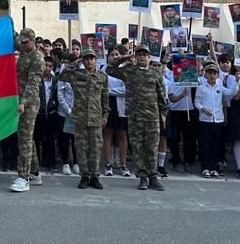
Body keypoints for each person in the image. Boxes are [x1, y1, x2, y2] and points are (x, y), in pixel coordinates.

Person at [106, 46, 168, 191]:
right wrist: (125, 57)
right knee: (138, 148)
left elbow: (161, 96)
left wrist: (163, 115)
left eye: (145, 55)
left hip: (152, 117)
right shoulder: (129, 72)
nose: (142, 57)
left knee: (152, 147)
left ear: (149, 58)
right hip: (135, 117)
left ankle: (153, 177)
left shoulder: (155, 74)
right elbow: (110, 69)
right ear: (135, 57)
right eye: (139, 55)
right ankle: (142, 178)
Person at [57, 47, 109, 190]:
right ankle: (85, 176)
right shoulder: (76, 74)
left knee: (96, 148)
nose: (89, 61)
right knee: (81, 147)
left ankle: (95, 176)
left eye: (91, 58)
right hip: (79, 117)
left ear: (96, 60)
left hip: (96, 118)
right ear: (83, 60)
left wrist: (105, 115)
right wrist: (75, 62)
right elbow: (61, 76)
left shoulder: (102, 77)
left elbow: (105, 98)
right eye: (86, 58)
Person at [9, 28, 44, 193]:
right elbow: (14, 37)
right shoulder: (22, 47)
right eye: (21, 42)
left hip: (29, 103)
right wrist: (8, 24)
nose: (22, 45)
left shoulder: (37, 58)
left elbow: (33, 83)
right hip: (19, 100)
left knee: (24, 140)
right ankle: (35, 173)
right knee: (27, 138)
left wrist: (24, 102)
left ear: (33, 40)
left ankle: (23, 177)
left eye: (25, 42)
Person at [194, 61, 230, 178]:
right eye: (209, 73)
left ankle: (214, 167)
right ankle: (205, 167)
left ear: (217, 75)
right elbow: (197, 102)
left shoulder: (220, 86)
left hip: (218, 119)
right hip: (205, 120)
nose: (212, 75)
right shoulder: (201, 87)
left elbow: (230, 93)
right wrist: (203, 109)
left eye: (214, 73)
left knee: (216, 144)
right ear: (206, 74)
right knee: (205, 144)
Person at [101, 50, 130, 177]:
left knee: (122, 134)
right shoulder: (104, 69)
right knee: (108, 134)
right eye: (112, 55)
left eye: (117, 55)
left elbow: (127, 90)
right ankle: (108, 164)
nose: (115, 57)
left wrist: (110, 91)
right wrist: (108, 91)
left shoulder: (126, 70)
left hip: (122, 105)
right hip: (108, 105)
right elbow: (102, 87)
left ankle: (122, 164)